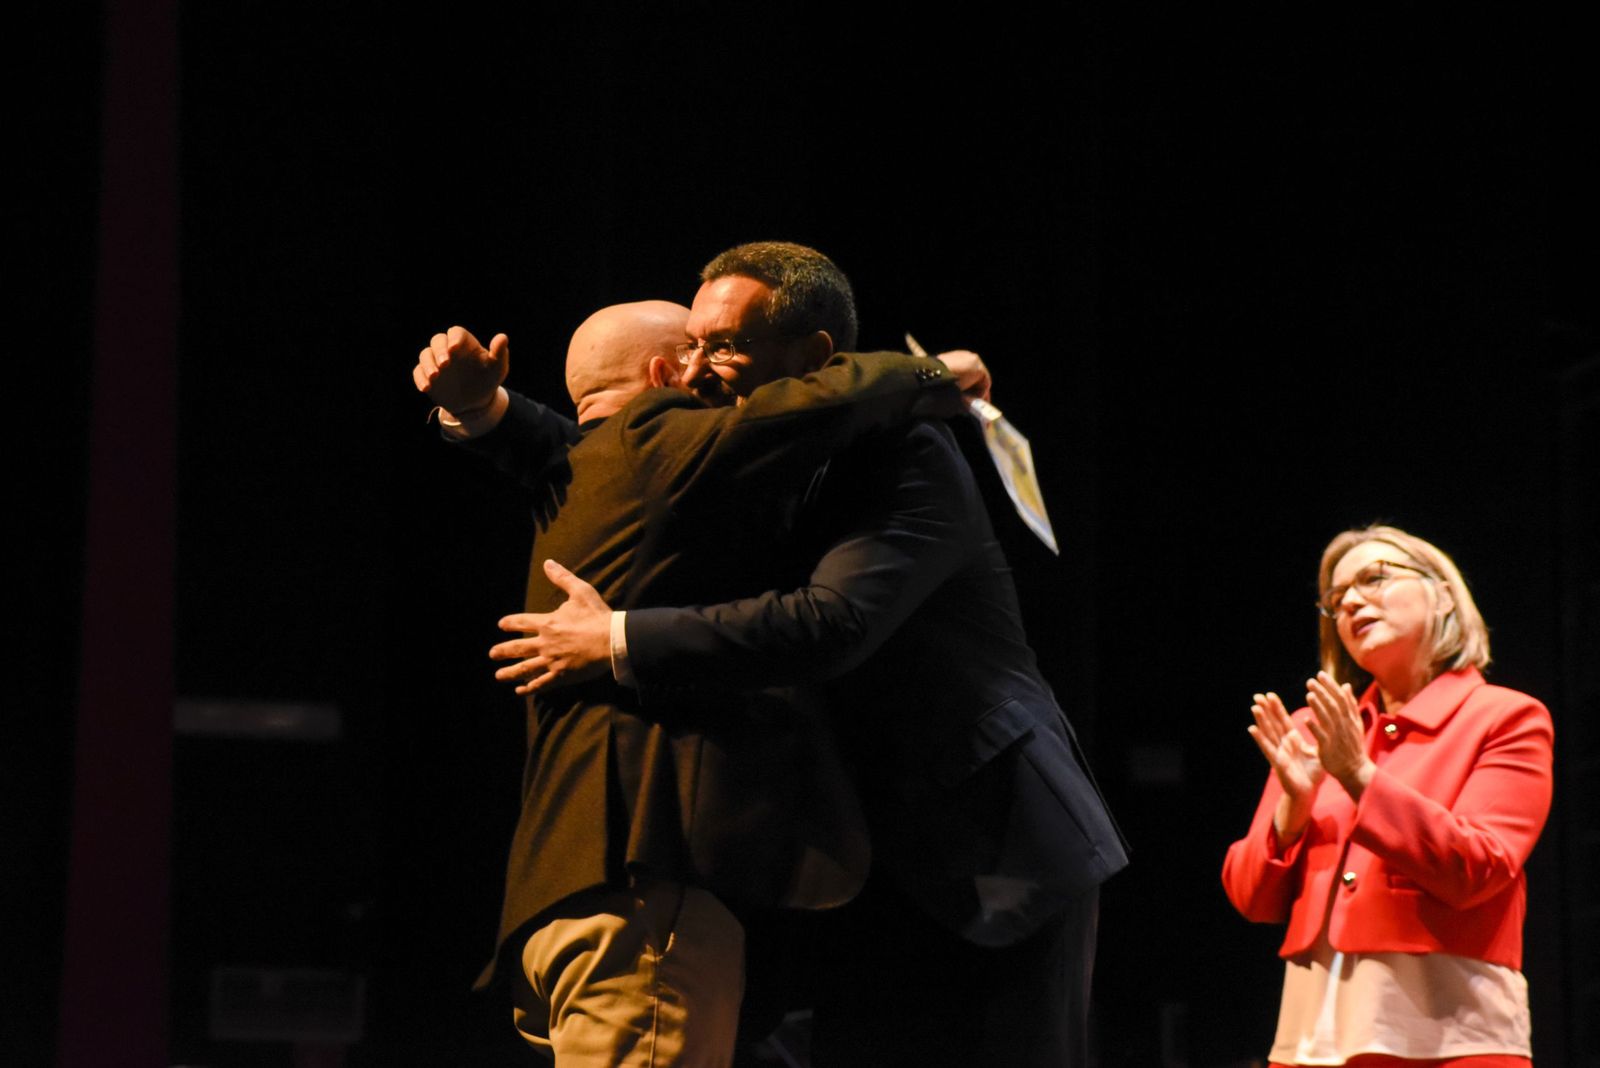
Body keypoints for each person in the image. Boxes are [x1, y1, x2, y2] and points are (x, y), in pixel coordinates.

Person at [494, 241, 1129, 1068]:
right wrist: (491, 415)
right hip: (854, 859)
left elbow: (833, 622)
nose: (697, 369)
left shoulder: (902, 455)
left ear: (815, 360)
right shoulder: (740, 464)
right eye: (689, 346)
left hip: (989, 844)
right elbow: (606, 444)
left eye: (723, 345)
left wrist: (617, 637)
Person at [415, 300, 963, 1066]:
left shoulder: (587, 469)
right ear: (664, 375)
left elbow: (547, 441)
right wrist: (937, 370)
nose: (717, 376)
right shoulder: (656, 438)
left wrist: (483, 408)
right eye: (702, 356)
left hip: (568, 903)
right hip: (646, 899)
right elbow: (812, 406)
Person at [1222, 524, 1554, 1068]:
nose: (1351, 600)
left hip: (1453, 1043)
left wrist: (1359, 776)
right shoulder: (1315, 731)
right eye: (1336, 598)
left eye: (1374, 578)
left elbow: (1479, 868)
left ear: (1443, 592)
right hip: (1309, 1044)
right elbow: (1250, 897)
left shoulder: (1506, 717)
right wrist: (1293, 808)